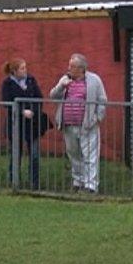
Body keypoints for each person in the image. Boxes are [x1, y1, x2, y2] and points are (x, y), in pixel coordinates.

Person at [50, 53, 107, 194]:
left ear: (81, 68)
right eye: (69, 65)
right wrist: (61, 86)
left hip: (87, 125)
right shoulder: (65, 80)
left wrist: (97, 118)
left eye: (72, 66)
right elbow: (53, 96)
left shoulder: (94, 80)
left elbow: (102, 100)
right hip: (68, 124)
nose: (69, 68)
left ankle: (91, 185)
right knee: (74, 154)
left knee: (90, 155)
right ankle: (78, 181)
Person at [1, 57, 46, 189]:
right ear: (14, 71)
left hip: (32, 124)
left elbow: (39, 97)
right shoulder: (7, 83)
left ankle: (34, 184)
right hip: (15, 124)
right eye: (22, 68)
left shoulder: (31, 80)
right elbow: (6, 102)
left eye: (25, 67)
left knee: (35, 154)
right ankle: (14, 182)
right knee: (15, 154)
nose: (25, 70)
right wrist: (21, 111)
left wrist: (34, 110)